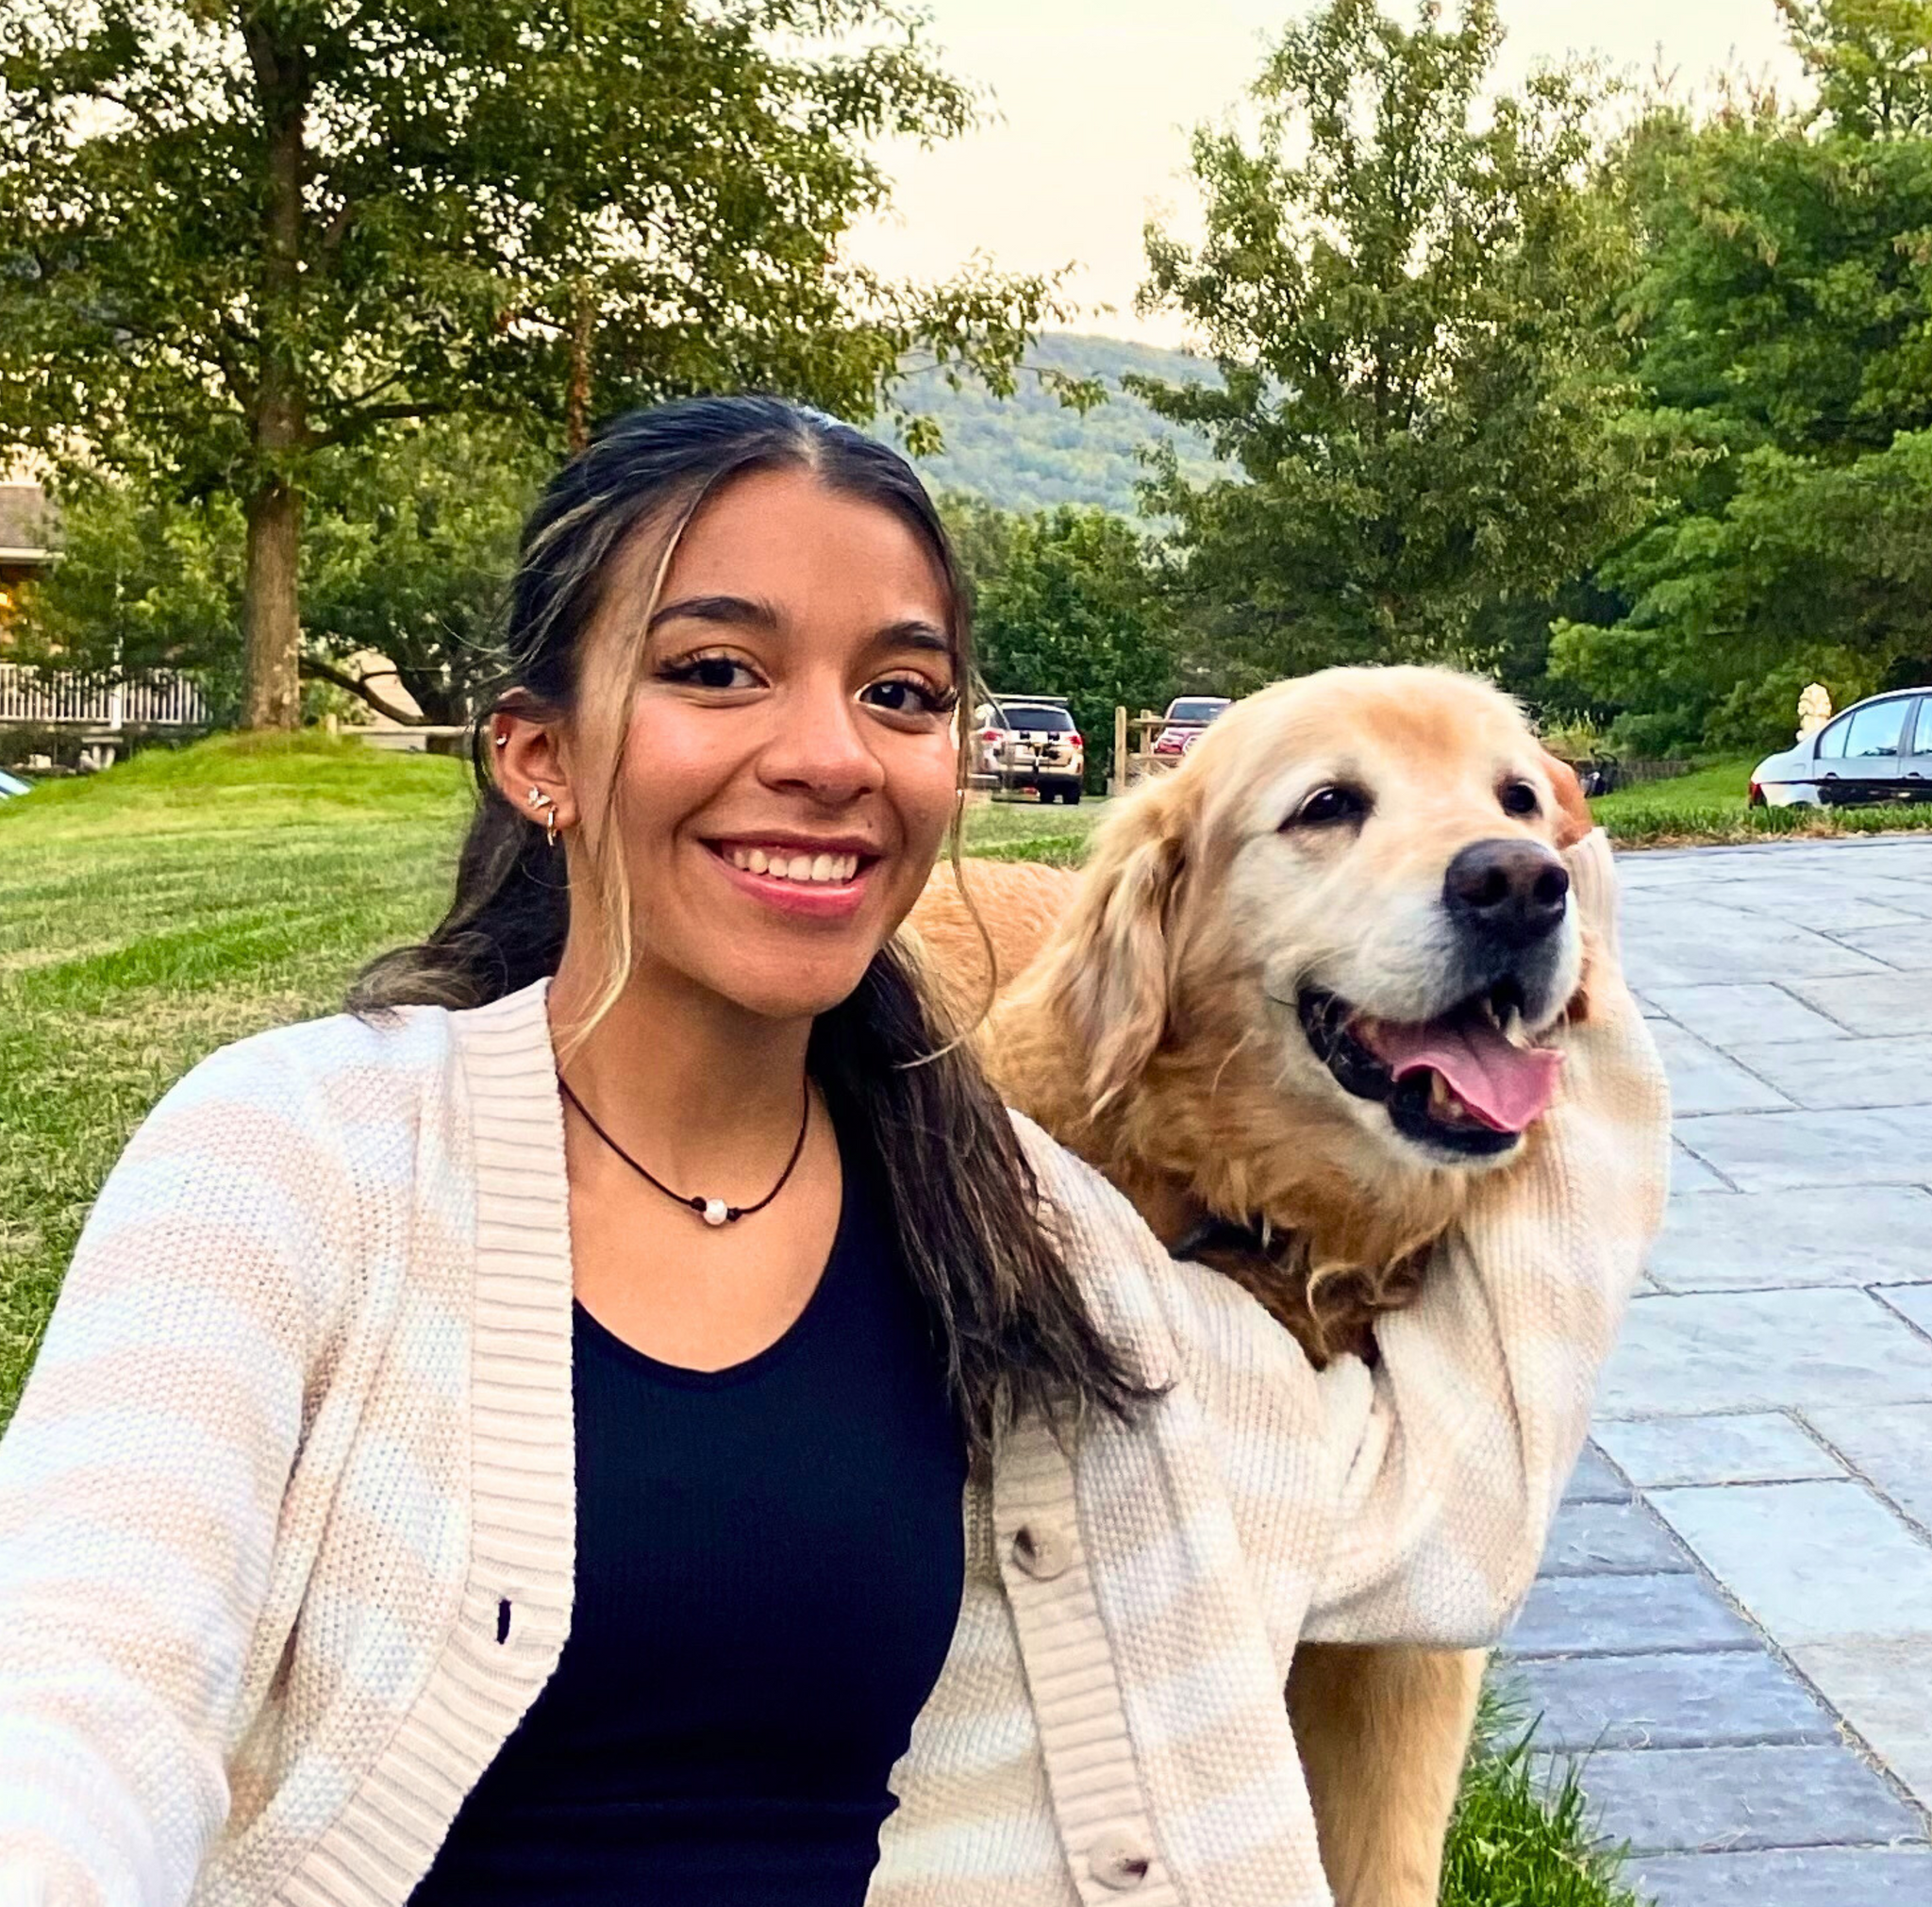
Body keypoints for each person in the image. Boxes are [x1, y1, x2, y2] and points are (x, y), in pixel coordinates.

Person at [0, 397, 1670, 1907]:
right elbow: (82, 1677)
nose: (825, 754)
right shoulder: (293, 1156)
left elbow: (1448, 1511)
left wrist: (1566, 920)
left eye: (900, 693)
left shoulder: (1053, 1257)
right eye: (717, 668)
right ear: (535, 756)